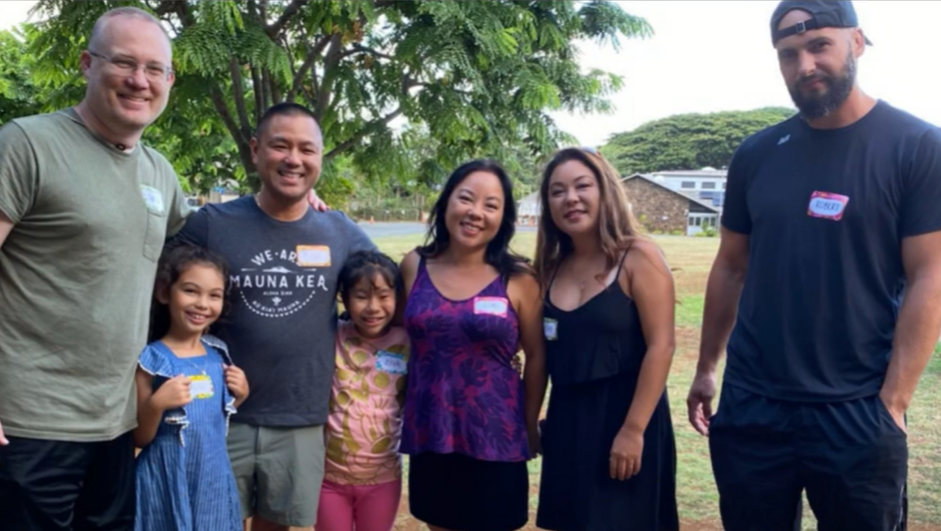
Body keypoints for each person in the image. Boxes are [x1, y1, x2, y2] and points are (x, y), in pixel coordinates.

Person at [686, 2, 941, 530]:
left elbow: (930, 275)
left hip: (857, 407)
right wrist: (708, 367)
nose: (804, 65)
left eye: (819, 45)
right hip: (753, 404)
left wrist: (893, 402)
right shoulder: (757, 154)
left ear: (857, 43)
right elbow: (731, 265)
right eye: (788, 54)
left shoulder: (917, 147)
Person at [0, 8, 191, 529]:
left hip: (116, 424)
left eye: (154, 69)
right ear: (87, 63)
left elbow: (205, 244)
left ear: (170, 80)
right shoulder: (27, 144)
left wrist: (295, 203)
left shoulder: (159, 171)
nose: (140, 80)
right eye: (124, 62)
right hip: (28, 424)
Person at [173, 102, 376, 531]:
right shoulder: (211, 224)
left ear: (320, 158)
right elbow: (162, 288)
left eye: (307, 149)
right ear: (255, 150)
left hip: (299, 417)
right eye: (280, 146)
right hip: (218, 412)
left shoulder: (338, 231)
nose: (293, 159)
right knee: (210, 522)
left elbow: (388, 285)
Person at [533, 148, 679, 531]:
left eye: (583, 186)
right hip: (568, 423)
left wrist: (633, 430)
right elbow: (541, 355)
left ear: (605, 191)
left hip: (626, 419)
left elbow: (662, 346)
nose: (571, 199)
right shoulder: (549, 268)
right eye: (557, 191)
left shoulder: (639, 257)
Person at [398, 160, 547, 531]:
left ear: (504, 218)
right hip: (431, 431)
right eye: (466, 198)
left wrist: (529, 424)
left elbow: (537, 356)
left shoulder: (519, 278)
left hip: (497, 435)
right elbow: (397, 337)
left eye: (491, 205)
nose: (476, 212)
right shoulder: (414, 265)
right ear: (447, 201)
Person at [134, 244, 249, 531]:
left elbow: (212, 417)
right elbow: (140, 438)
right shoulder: (152, 359)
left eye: (214, 295)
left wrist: (240, 396)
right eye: (190, 291)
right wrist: (157, 404)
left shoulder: (218, 353)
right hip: (167, 474)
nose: (202, 304)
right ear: (165, 293)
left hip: (212, 475)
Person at [317, 250, 410, 531]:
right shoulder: (332, 335)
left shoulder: (408, 342)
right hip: (327, 479)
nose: (373, 307)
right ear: (344, 298)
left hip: (383, 479)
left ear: (397, 297)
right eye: (361, 296)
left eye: (383, 296)